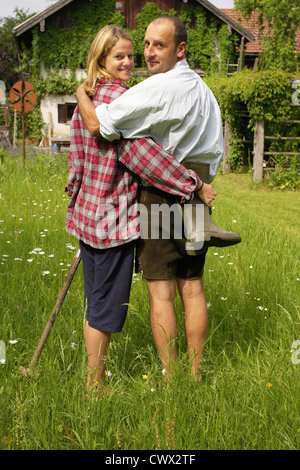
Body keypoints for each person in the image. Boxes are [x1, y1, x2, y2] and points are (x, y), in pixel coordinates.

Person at [76, 17, 240, 381]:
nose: (148, 53)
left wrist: (81, 95)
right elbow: (215, 149)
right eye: (145, 45)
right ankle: (195, 375)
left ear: (180, 49)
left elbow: (100, 126)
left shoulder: (157, 88)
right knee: (193, 287)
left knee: (162, 292)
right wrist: (200, 182)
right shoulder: (201, 87)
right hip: (197, 193)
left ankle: (171, 377)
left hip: (163, 191)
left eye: (158, 46)